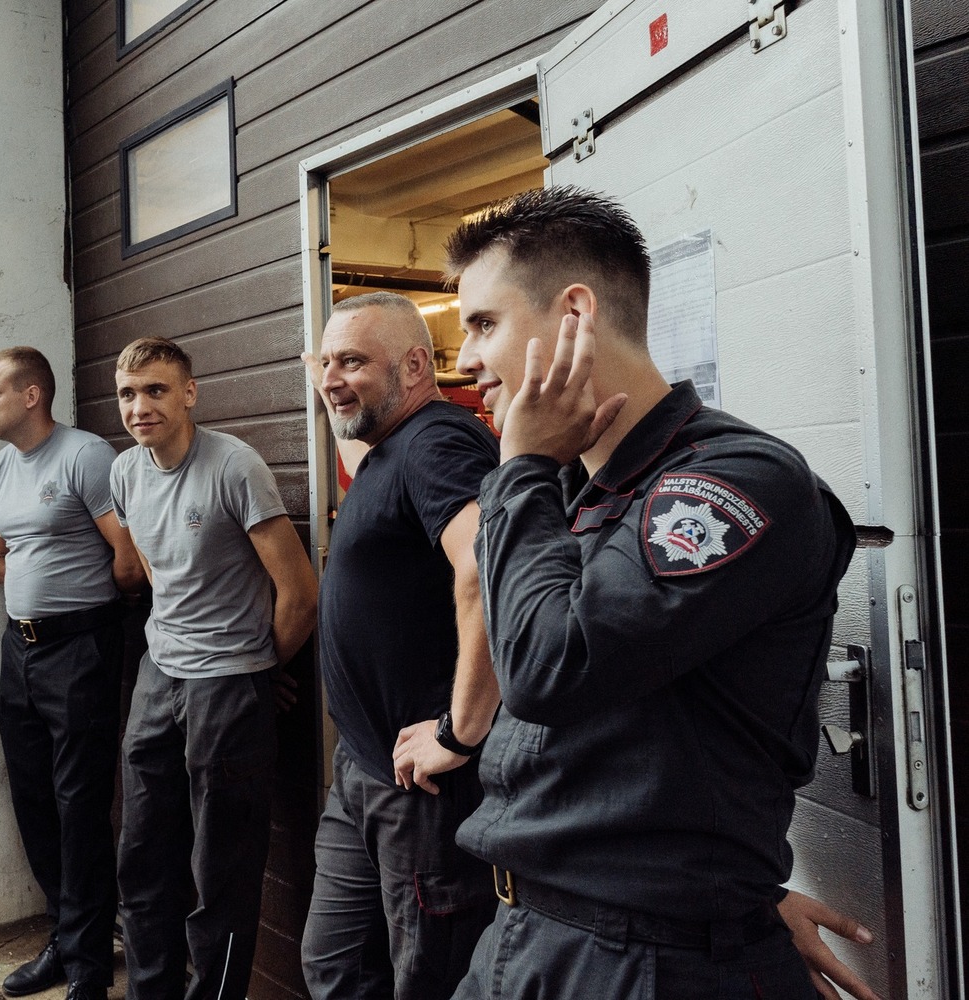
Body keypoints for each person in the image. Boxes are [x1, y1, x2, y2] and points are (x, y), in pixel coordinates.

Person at [445, 186, 861, 999]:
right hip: (527, 933)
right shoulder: (567, 488)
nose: (465, 360)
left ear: (575, 313)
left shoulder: (737, 478)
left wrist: (520, 467)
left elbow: (549, 668)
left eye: (484, 324)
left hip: (634, 962)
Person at [299, 292, 502, 1000]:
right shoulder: (391, 446)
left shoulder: (438, 441)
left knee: (426, 980)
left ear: (416, 366)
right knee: (334, 968)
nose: (332, 377)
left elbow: (485, 567)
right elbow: (355, 430)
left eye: (353, 361)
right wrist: (335, 383)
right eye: (327, 362)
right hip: (365, 766)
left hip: (424, 790)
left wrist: (460, 731)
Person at [110, 337, 317, 1000]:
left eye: (156, 390)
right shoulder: (125, 471)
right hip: (159, 674)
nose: (139, 407)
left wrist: (256, 669)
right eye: (127, 394)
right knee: (142, 858)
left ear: (190, 393)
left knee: (221, 871)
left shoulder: (234, 466)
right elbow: (154, 571)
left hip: (227, 684)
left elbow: (300, 592)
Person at [0, 346, 143, 1000]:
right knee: (33, 798)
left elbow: (127, 556)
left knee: (79, 806)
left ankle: (89, 965)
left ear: (32, 396)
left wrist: (82, 610)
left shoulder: (85, 456)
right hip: (20, 650)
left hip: (81, 649)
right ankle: (64, 938)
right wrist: (31, 606)